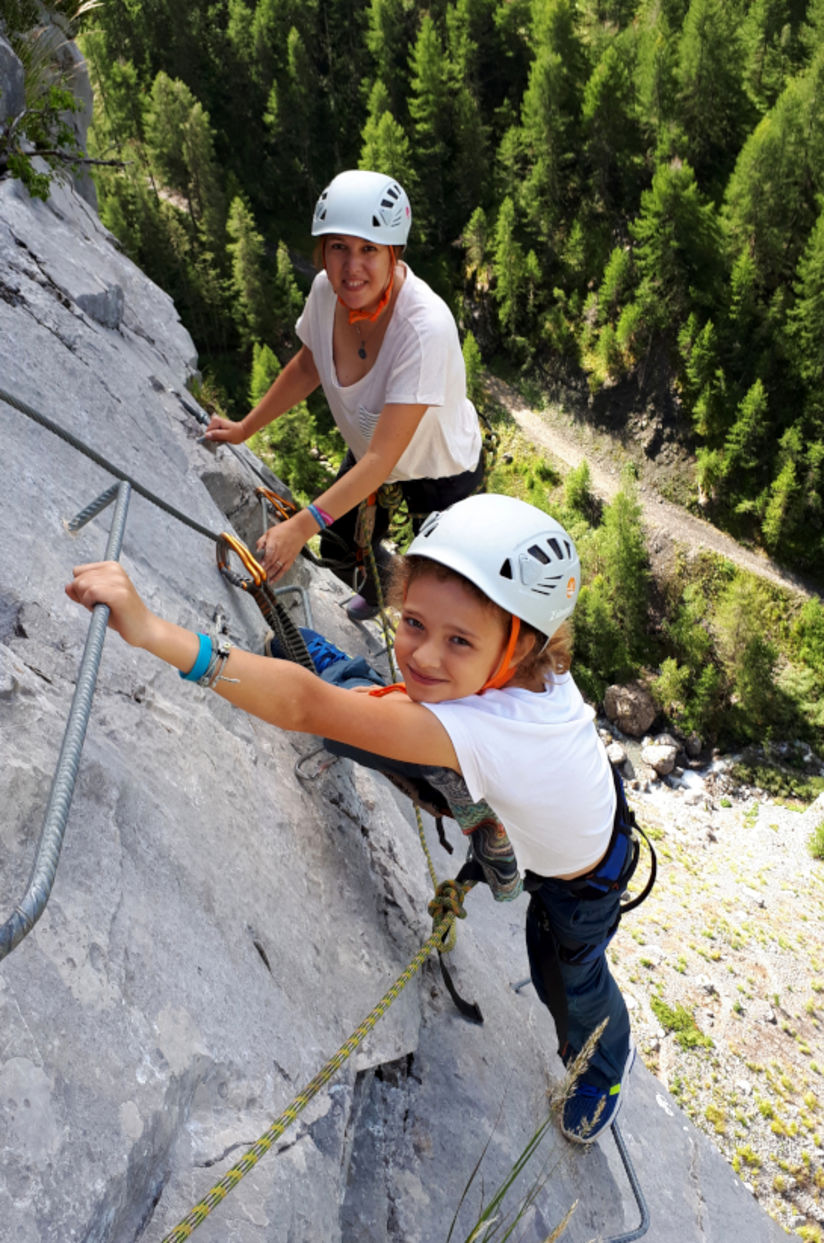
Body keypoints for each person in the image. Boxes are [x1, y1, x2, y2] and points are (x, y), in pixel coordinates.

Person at [65, 493, 637, 1142]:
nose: (423, 655)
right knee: (372, 715)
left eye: (458, 640)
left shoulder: (486, 733)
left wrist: (153, 632)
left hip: (579, 883)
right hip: (560, 813)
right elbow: (368, 706)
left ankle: (604, 1065)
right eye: (414, 622)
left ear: (522, 643)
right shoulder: (519, 672)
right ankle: (320, 658)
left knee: (566, 974)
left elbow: (308, 708)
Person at [203, 169, 483, 621]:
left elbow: (382, 463)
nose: (352, 268)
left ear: (394, 253)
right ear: (323, 252)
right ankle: (380, 589)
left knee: (444, 583)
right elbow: (309, 366)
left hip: (440, 465)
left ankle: (410, 606)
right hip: (372, 447)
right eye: (339, 248)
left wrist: (298, 527)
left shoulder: (423, 327)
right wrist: (244, 428)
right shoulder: (325, 294)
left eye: (369, 249)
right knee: (339, 546)